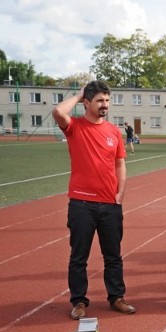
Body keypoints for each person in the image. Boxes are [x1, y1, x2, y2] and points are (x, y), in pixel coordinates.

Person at [52, 80, 136, 319]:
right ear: (86, 102)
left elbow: (120, 163)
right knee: (79, 256)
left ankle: (116, 297)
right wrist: (80, 93)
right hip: (81, 204)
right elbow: (58, 111)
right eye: (99, 100)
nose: (105, 105)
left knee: (113, 255)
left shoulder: (113, 131)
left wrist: (121, 192)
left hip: (110, 204)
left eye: (107, 100)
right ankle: (79, 301)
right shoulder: (74, 127)